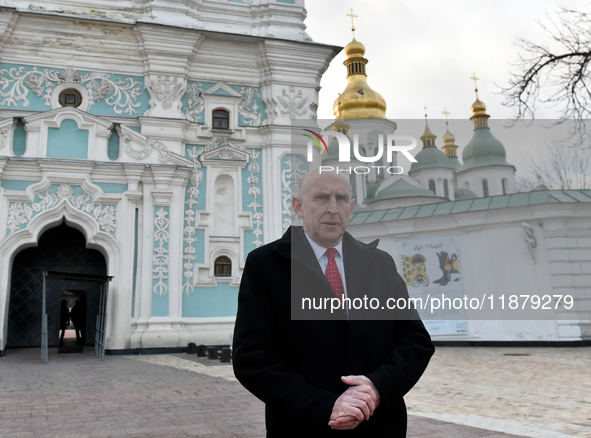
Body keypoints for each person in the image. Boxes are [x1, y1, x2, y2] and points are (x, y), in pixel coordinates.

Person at [233, 168, 435, 437]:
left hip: (379, 425)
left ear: (351, 208)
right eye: (320, 198)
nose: (332, 208)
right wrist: (326, 406)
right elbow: (252, 358)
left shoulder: (379, 263)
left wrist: (376, 389)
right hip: (303, 427)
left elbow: (415, 341)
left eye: (341, 199)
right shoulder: (266, 265)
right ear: (298, 206)